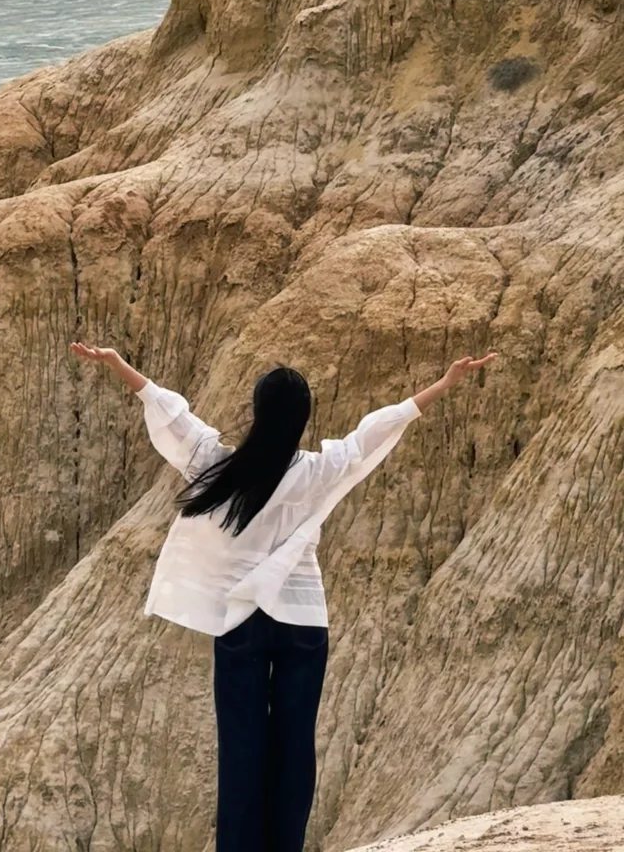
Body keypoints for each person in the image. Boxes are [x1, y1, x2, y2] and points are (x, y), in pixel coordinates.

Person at [68, 341, 499, 852]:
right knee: (294, 747)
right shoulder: (319, 470)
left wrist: (121, 367)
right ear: (303, 418)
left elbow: (174, 418)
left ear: (256, 412)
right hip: (302, 620)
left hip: (241, 621)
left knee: (242, 748)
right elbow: (377, 431)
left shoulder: (221, 467)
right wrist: (443, 384)